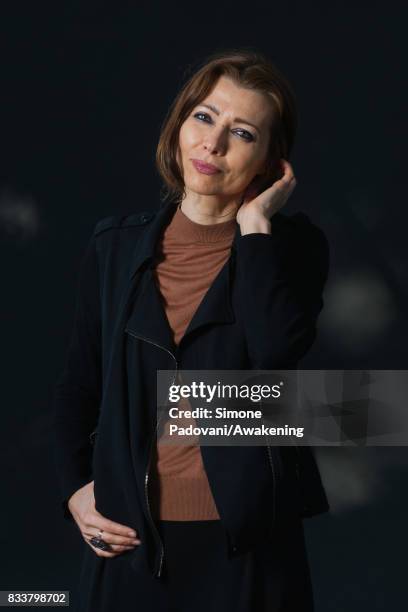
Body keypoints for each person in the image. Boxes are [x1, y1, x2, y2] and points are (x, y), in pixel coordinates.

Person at [53, 48, 330, 612]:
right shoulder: (113, 247)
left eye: (243, 132)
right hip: (128, 538)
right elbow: (80, 387)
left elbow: (280, 360)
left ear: (270, 160)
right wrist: (76, 492)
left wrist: (254, 229)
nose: (214, 144)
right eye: (204, 117)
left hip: (249, 542)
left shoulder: (292, 249)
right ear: (180, 124)